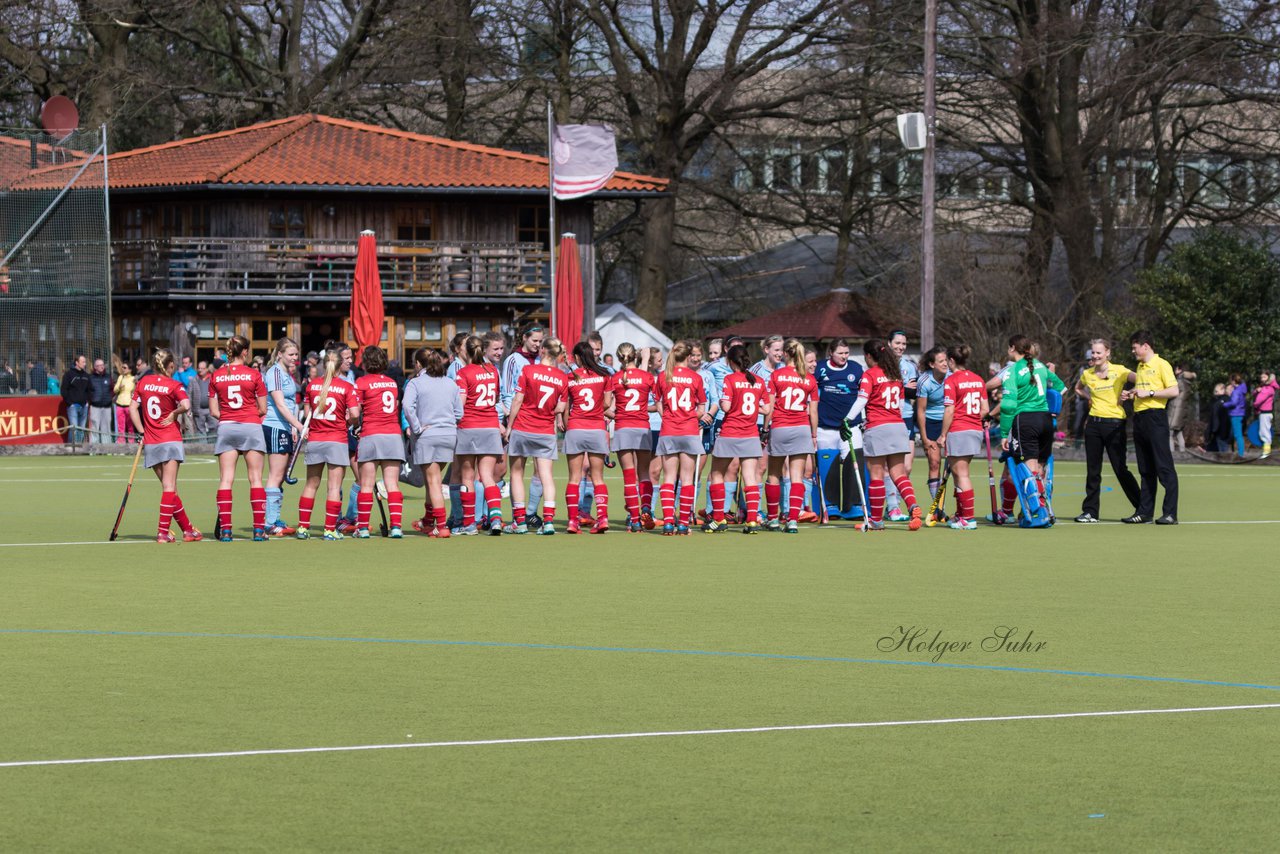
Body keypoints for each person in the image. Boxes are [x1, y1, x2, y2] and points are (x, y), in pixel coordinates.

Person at [845, 339, 922, 532]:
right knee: (898, 473)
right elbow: (899, 405)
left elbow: (862, 400)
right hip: (898, 426)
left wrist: (846, 419)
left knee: (876, 475)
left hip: (878, 428)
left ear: (869, 357)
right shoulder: (895, 375)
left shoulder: (869, 375)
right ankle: (913, 506)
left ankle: (876, 521)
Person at [129, 348, 201, 543]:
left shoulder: (143, 382)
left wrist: (141, 431)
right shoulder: (174, 385)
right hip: (170, 440)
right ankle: (162, 532)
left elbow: (132, 408)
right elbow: (186, 405)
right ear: (170, 366)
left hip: (152, 442)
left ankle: (188, 530)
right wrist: (174, 413)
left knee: (170, 489)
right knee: (170, 488)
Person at [1072, 338, 1141, 523]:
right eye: (1093, 353)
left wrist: (1132, 392)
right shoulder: (1087, 374)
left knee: (1120, 469)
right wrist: (1088, 397)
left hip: (1114, 424)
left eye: (1098, 352)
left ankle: (1142, 507)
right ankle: (1090, 512)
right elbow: (1077, 388)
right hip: (1093, 425)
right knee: (1093, 470)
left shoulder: (1119, 370)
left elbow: (1143, 379)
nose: (1095, 356)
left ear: (1107, 353)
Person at [505, 338, 568, 535]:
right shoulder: (562, 377)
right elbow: (561, 407)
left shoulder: (529, 370)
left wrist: (509, 426)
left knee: (516, 474)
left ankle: (519, 522)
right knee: (547, 476)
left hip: (523, 427)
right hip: (545, 431)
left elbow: (517, 400)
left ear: (542, 350)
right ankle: (548, 521)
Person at [296, 348, 360, 541]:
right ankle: (329, 529)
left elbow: (307, 414)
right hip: (337, 440)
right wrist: (350, 422)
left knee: (310, 485)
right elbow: (355, 414)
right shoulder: (346, 387)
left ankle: (302, 528)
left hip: (316, 439)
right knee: (333, 487)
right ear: (340, 365)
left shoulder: (312, 385)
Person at [209, 335, 269, 541]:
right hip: (251, 426)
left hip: (226, 427)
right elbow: (263, 409)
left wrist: (229, 416)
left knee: (226, 479)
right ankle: (259, 530)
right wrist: (250, 415)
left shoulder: (216, 375)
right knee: (255, 479)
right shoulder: (254, 374)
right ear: (244, 352)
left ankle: (226, 530)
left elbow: (213, 410)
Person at [706, 343, 770, 533]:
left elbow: (725, 407)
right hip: (750, 434)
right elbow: (767, 409)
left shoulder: (730, 378)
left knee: (717, 474)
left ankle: (718, 519)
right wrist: (747, 408)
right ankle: (751, 521)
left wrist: (736, 405)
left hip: (730, 433)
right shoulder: (758, 380)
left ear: (731, 361)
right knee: (750, 476)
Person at [1001, 337, 1065, 521]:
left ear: (1012, 348)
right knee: (1041, 467)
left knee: (1029, 469)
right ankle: (1044, 508)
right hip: (1046, 419)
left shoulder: (1012, 371)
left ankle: (1039, 512)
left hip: (1025, 420)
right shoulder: (1041, 366)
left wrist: (1004, 433)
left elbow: (1008, 406)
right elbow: (1061, 387)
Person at [1120, 331, 1180, 524]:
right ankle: (1145, 512)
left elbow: (1174, 390)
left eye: (1134, 347)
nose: (1133, 351)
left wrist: (1151, 392)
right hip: (1140, 419)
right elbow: (1144, 391)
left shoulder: (1162, 364)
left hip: (1156, 418)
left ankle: (1170, 513)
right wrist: (1132, 394)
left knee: (1164, 467)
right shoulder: (1141, 366)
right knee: (1145, 469)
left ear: (1145, 345)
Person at [403, 347, 462, 538]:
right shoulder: (450, 383)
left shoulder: (416, 383)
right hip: (449, 435)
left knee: (433, 481)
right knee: (432, 481)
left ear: (419, 364)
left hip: (428, 436)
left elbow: (406, 406)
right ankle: (429, 520)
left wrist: (417, 427)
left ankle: (442, 525)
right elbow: (459, 413)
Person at [763, 339, 818, 533]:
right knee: (797, 477)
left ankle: (773, 519)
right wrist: (813, 435)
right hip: (802, 429)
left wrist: (765, 428)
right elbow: (813, 412)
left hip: (780, 427)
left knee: (773, 475)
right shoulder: (809, 379)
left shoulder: (776, 375)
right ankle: (793, 520)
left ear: (786, 354)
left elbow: (769, 408)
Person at [454, 335, 506, 535]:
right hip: (491, 427)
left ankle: (468, 525)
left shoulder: (464, 373)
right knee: (487, 476)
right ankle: (495, 519)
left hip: (469, 427)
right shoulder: (493, 371)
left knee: (467, 477)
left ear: (466, 351)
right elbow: (495, 399)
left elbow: (461, 404)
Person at [654, 340, 708, 535]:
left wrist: (668, 416)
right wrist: (690, 417)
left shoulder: (663, 376)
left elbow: (658, 403)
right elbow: (702, 408)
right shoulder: (696, 377)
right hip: (689, 431)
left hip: (669, 430)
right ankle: (683, 523)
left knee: (668, 477)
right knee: (687, 479)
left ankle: (668, 521)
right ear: (688, 356)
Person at [353, 346, 407, 538]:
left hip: (371, 434)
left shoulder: (361, 382)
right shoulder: (392, 383)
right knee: (392, 484)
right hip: (392, 435)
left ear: (366, 362)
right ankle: (396, 527)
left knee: (366, 484)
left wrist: (354, 425)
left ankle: (363, 528)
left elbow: (355, 412)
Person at [563, 341, 613, 534]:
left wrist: (568, 425)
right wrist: (594, 411)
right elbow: (607, 403)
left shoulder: (571, 377)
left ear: (576, 357)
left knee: (574, 478)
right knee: (598, 477)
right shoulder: (604, 375)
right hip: (597, 428)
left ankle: (572, 522)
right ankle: (602, 518)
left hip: (575, 428)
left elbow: (566, 408)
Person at [937, 344, 988, 529]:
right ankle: (961, 515)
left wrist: (943, 434)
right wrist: (972, 419)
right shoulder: (979, 379)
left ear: (952, 360)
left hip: (958, 430)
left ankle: (969, 518)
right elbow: (985, 410)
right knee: (960, 474)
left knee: (962, 474)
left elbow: (949, 410)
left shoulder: (951, 381)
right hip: (975, 430)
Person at [261, 337, 308, 536]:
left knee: (280, 477)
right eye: (291, 354)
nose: (294, 358)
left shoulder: (288, 374)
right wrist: (297, 424)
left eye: (296, 354)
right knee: (276, 475)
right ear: (279, 354)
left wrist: (294, 428)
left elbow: (291, 404)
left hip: (286, 427)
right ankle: (269, 523)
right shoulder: (275, 373)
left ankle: (275, 518)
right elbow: (280, 404)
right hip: (274, 426)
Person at [814, 338, 864, 519]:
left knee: (854, 462)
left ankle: (854, 506)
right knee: (829, 466)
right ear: (831, 353)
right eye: (840, 353)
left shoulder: (856, 369)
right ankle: (830, 505)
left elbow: (863, 395)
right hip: (825, 427)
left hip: (850, 427)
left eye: (846, 353)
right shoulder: (820, 368)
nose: (844, 357)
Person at [611, 343, 657, 533]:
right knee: (644, 473)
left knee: (629, 477)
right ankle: (646, 507)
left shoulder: (614, 378)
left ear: (619, 357)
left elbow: (607, 406)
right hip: (642, 428)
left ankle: (635, 520)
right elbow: (657, 398)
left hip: (623, 428)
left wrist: (617, 414)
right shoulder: (647, 377)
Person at [883, 330, 918, 522]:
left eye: (903, 344)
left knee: (907, 466)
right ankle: (893, 507)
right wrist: (903, 388)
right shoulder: (882, 365)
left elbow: (913, 393)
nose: (901, 347)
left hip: (906, 416)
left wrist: (900, 388)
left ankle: (897, 503)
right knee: (889, 467)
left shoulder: (909, 367)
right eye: (897, 343)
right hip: (887, 417)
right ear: (889, 343)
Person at [915, 346, 949, 517]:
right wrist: (924, 436)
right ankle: (938, 507)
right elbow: (920, 410)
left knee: (954, 468)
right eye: (941, 361)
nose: (945, 364)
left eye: (946, 360)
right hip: (931, 423)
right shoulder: (924, 381)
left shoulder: (952, 377)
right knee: (935, 463)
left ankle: (962, 509)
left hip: (950, 422)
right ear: (932, 364)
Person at [61, 354, 91, 443]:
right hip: (73, 406)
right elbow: (63, 390)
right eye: (83, 362)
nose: (85, 364)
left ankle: (79, 448)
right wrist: (70, 403)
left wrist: (87, 402)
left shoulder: (86, 375)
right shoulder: (69, 375)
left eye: (85, 362)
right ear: (77, 363)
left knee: (81, 429)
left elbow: (89, 390)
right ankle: (71, 448)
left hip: (84, 406)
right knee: (74, 428)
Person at [1168, 364, 1196, 453]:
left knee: (1169, 433)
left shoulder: (1179, 381)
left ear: (1179, 370)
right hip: (1181, 410)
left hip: (1175, 409)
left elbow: (1171, 393)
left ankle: (1171, 454)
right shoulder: (1187, 383)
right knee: (1179, 432)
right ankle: (1182, 452)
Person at [88, 358, 115, 443]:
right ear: (95, 367)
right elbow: (88, 391)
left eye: (102, 365)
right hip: (95, 406)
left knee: (106, 427)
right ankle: (94, 449)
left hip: (107, 406)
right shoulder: (91, 378)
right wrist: (92, 399)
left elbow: (112, 389)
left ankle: (106, 448)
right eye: (99, 365)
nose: (101, 367)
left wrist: (109, 399)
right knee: (94, 427)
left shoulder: (108, 377)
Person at [112, 359, 137, 444]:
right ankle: (121, 443)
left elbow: (136, 392)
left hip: (129, 405)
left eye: (125, 368)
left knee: (130, 426)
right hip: (119, 404)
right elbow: (115, 390)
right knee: (120, 426)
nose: (123, 369)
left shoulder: (134, 379)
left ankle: (131, 442)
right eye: (122, 367)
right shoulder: (120, 377)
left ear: (130, 369)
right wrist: (119, 387)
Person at [1255, 370, 1278, 458]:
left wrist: (1255, 405)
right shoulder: (1264, 387)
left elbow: (1259, 400)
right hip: (1263, 413)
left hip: (1265, 413)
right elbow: (1255, 393)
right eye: (1261, 377)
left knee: (1265, 432)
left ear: (1269, 378)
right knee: (1263, 432)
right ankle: (1266, 450)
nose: (1262, 379)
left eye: (1264, 377)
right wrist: (1257, 391)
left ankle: (1267, 452)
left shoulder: (1268, 388)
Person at [1224, 373, 1248, 458]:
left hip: (1236, 414)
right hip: (1239, 413)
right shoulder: (1241, 390)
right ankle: (1239, 452)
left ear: (1234, 381)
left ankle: (1241, 454)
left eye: (1231, 381)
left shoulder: (1236, 391)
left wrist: (1224, 404)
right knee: (1237, 434)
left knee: (1238, 435)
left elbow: (1234, 402)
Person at [188, 361, 214, 438]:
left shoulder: (212, 379)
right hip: (198, 410)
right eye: (199, 368)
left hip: (211, 409)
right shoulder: (194, 380)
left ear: (206, 369)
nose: (200, 370)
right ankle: (202, 449)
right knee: (200, 432)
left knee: (214, 429)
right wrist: (189, 409)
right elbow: (189, 395)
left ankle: (213, 448)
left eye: (202, 368)